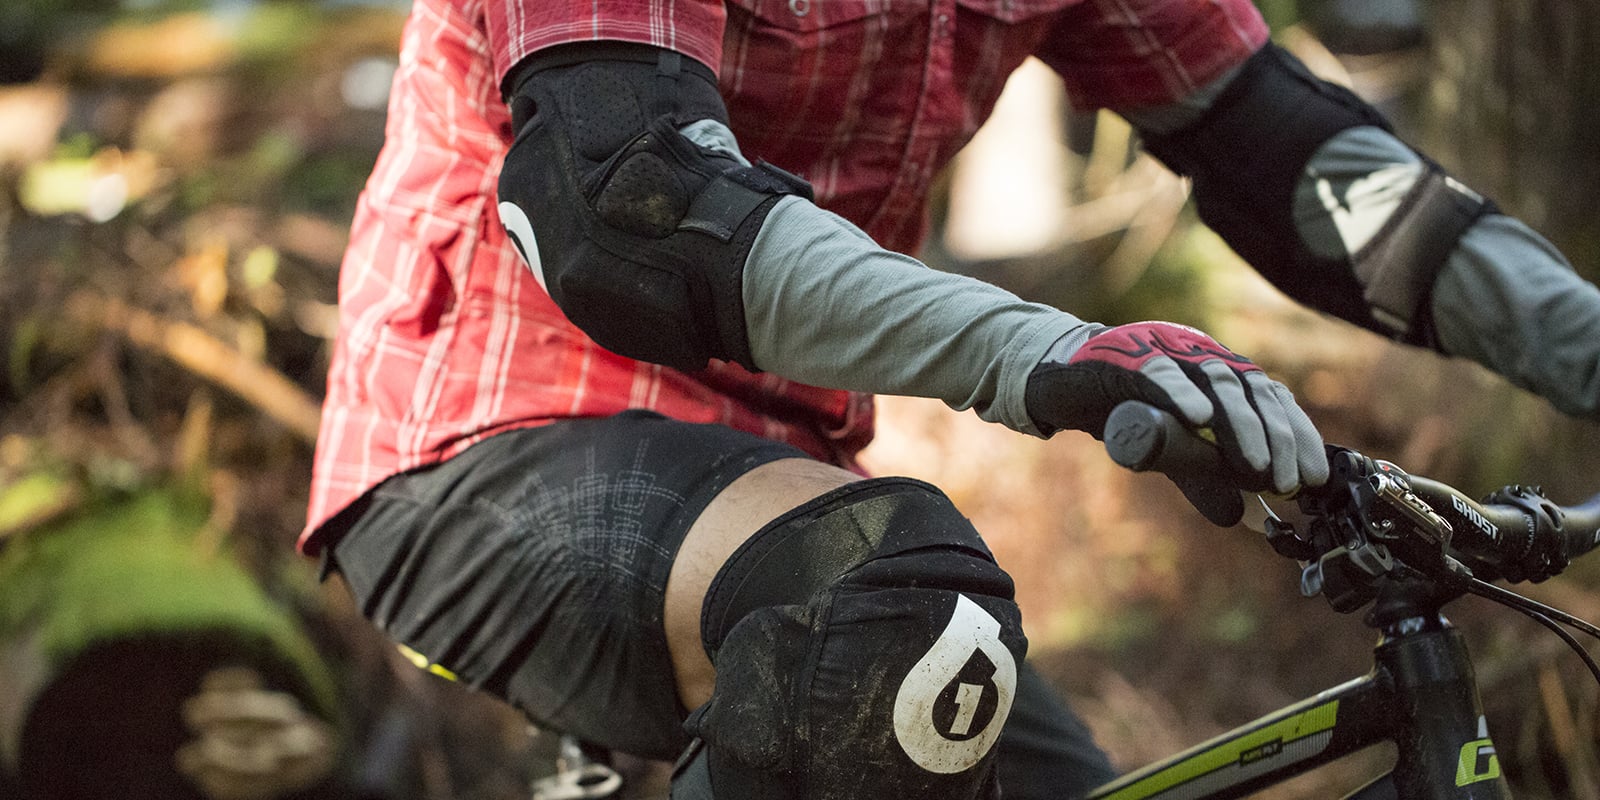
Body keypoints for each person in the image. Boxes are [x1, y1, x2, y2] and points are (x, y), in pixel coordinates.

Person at [302, 0, 1600, 797]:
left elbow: (1295, 162)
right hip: (479, 452)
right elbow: (628, 210)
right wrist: (1060, 355)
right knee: (890, 610)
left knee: (920, 662)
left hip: (780, 487)